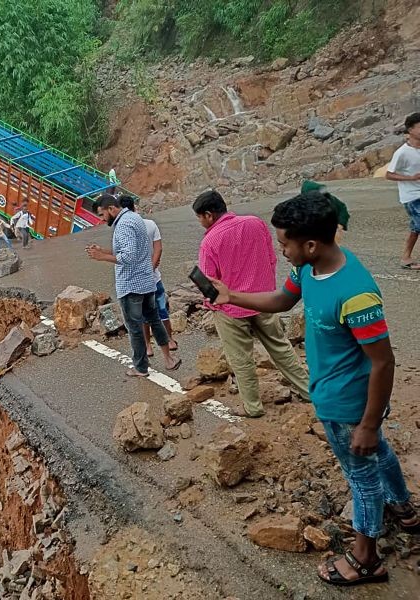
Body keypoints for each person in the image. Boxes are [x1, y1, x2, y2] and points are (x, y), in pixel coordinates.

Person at [210, 192, 418, 587]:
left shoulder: (356, 292)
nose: (280, 250)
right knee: (378, 457)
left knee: (362, 479)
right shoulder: (309, 269)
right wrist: (231, 295)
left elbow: (383, 362)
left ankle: (366, 560)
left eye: (284, 243)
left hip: (349, 405)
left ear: (310, 244)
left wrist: (369, 424)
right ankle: (405, 510)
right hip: (334, 395)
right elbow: (281, 300)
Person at [193, 190, 309, 417]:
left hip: (231, 308)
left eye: (199, 217)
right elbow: (272, 257)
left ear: (208, 215)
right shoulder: (255, 223)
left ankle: (252, 406)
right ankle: (308, 391)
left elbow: (210, 283)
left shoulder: (209, 242)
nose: (200, 223)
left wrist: (211, 304)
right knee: (281, 348)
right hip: (265, 301)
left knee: (241, 359)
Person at [86, 194, 180, 374]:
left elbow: (128, 257)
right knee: (155, 320)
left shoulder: (122, 225)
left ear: (111, 209)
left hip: (131, 285)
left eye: (102, 214)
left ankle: (141, 367)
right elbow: (131, 249)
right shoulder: (135, 218)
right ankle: (169, 359)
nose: (102, 219)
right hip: (146, 281)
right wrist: (104, 250)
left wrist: (102, 257)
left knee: (135, 328)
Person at [119, 197, 177, 353]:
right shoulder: (150, 224)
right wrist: (151, 267)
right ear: (135, 208)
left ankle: (148, 345)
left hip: (136, 283)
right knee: (161, 310)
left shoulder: (122, 229)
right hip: (153, 277)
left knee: (143, 316)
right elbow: (158, 249)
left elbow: (123, 258)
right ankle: (169, 340)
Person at [385, 112, 420, 270]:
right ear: (410, 130)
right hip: (412, 197)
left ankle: (405, 258)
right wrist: (411, 178)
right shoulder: (402, 153)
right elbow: (389, 174)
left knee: (416, 228)